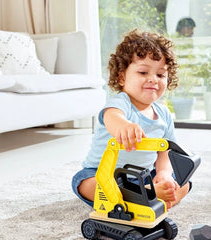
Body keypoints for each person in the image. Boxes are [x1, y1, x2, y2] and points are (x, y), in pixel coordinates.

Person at [72, 29, 191, 209]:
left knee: (184, 183)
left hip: (144, 177)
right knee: (84, 184)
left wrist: (164, 174)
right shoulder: (121, 103)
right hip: (105, 175)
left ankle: (151, 196)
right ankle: (148, 198)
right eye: (143, 72)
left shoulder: (164, 114)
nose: (153, 79)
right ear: (121, 77)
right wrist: (124, 125)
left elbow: (164, 152)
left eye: (160, 75)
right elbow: (112, 116)